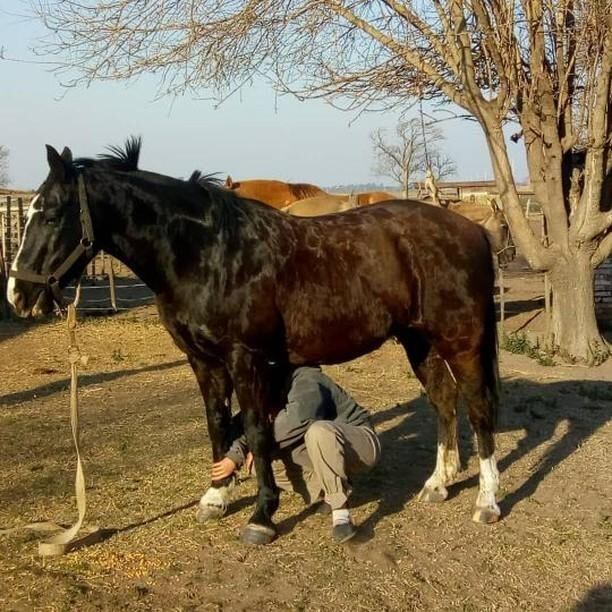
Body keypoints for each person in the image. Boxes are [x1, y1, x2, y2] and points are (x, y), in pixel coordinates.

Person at [197, 366, 381, 543]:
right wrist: (235, 454)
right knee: (258, 466)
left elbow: (296, 420)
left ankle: (341, 512)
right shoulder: (268, 385)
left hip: (360, 445)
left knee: (319, 431)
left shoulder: (307, 379)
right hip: (319, 450)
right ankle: (324, 490)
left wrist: (257, 448)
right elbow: (250, 421)